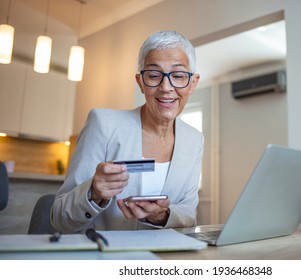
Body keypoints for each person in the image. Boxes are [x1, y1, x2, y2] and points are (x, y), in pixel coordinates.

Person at [51, 30, 202, 233]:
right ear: (140, 82)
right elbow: (59, 218)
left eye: (178, 75)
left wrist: (161, 216)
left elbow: (189, 214)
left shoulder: (194, 139)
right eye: (154, 75)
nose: (166, 87)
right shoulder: (103, 124)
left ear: (192, 83)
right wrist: (94, 193)